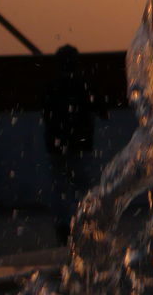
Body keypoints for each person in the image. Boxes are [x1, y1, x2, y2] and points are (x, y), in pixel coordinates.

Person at [42, 45, 106, 243]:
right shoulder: (84, 85)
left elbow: (47, 116)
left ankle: (63, 228)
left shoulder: (52, 86)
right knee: (84, 189)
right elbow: (102, 111)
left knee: (60, 189)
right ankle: (86, 226)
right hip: (81, 145)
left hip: (57, 147)